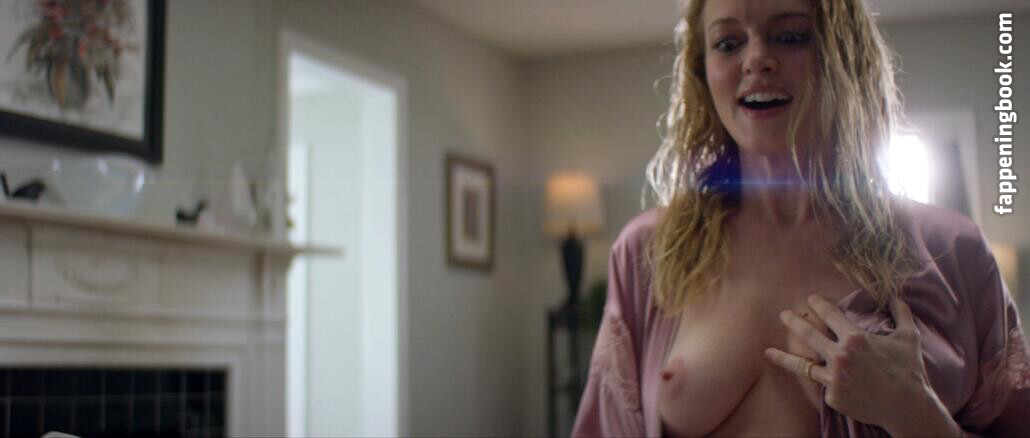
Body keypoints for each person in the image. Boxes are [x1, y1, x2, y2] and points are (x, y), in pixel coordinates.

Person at [571, 0, 1030, 436]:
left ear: (843, 54)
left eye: (790, 36)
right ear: (701, 71)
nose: (757, 59)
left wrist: (917, 415)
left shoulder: (953, 252)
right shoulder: (651, 252)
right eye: (728, 43)